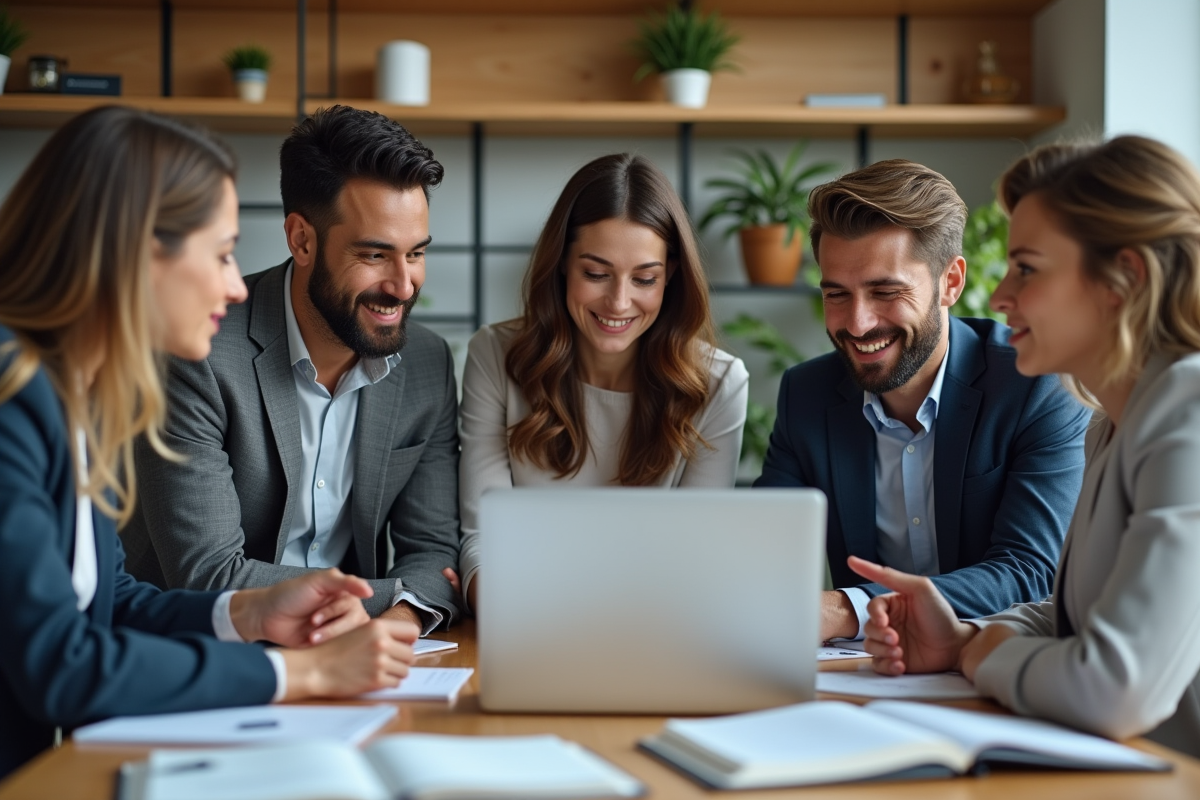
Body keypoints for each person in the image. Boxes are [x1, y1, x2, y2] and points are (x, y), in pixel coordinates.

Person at [0, 106, 421, 780]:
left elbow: (111, 606)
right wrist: (293, 673)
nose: (235, 284)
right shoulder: (11, 401)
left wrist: (250, 609)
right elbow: (63, 663)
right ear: (134, 253)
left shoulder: (78, 401)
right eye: (222, 254)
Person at [853, 136, 1200, 758]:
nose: (999, 296)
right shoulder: (1113, 423)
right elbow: (1076, 616)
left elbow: (1117, 689)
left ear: (1125, 278)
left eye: (1028, 268)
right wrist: (964, 637)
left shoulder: (1189, 414)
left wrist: (986, 655)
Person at [121, 105, 461, 630]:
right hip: (199, 655)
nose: (404, 285)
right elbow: (208, 577)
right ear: (302, 239)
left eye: (415, 253)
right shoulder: (198, 349)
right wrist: (396, 598)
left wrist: (405, 619)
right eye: (375, 256)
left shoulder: (426, 362)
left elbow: (435, 554)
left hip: (353, 655)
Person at [754, 159, 1090, 643]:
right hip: (865, 675)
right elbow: (762, 557)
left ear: (950, 283)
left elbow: (1030, 571)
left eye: (885, 291)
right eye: (837, 295)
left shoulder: (1034, 384)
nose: (858, 323)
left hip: (996, 667)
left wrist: (850, 609)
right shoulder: (805, 396)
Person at [451, 153, 749, 612]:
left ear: (670, 274)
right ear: (562, 264)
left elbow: (692, 558)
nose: (619, 302)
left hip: (649, 630)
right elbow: (483, 538)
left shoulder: (718, 383)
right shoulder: (495, 355)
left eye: (644, 278)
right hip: (520, 621)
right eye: (595, 274)